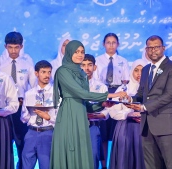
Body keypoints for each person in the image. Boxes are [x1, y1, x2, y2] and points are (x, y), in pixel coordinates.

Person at [50, 40, 126, 169]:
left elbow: (84, 103)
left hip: (81, 114)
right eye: (76, 52)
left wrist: (103, 104)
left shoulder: (81, 74)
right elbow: (81, 93)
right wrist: (111, 95)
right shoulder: (62, 71)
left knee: (83, 153)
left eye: (82, 52)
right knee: (69, 150)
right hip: (69, 114)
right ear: (69, 53)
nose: (80, 55)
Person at [127, 35, 172, 169]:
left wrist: (144, 107)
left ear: (163, 48)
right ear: (146, 50)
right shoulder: (145, 69)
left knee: (171, 164)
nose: (153, 51)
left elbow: (169, 95)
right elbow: (141, 94)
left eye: (156, 47)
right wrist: (128, 100)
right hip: (147, 125)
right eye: (149, 48)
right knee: (151, 165)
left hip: (166, 124)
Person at [0, 31, 37, 169]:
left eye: (16, 47)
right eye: (10, 47)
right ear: (5, 46)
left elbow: (34, 87)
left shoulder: (27, 64)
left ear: (21, 47)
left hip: (21, 109)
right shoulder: (0, 65)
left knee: (22, 144)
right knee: (5, 143)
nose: (13, 51)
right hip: (4, 112)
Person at [95, 33, 130, 166]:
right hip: (103, 94)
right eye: (108, 42)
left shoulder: (123, 61)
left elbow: (126, 81)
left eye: (113, 42)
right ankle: (103, 165)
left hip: (118, 92)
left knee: (117, 132)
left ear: (118, 44)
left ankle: (117, 163)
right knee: (103, 134)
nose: (111, 45)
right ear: (103, 44)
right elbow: (96, 81)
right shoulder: (97, 61)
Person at [109, 59, 147, 169]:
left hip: (147, 129)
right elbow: (113, 111)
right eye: (136, 70)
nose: (139, 73)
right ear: (132, 72)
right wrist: (127, 114)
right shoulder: (123, 88)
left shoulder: (152, 89)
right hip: (126, 128)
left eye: (143, 70)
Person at [21, 60, 56, 169]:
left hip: (48, 133)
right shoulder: (29, 94)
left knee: (46, 165)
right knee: (26, 165)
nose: (47, 75)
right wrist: (31, 112)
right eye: (44, 72)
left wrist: (48, 117)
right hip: (31, 133)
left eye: (49, 72)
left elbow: (60, 117)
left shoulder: (56, 94)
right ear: (36, 73)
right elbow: (23, 118)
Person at [80, 54, 110, 169]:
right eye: (83, 65)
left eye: (89, 65)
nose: (86, 68)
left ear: (95, 67)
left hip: (93, 126)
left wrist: (100, 115)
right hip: (75, 127)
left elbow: (107, 109)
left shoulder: (101, 87)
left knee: (93, 158)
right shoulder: (72, 86)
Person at [0, 67, 19, 169]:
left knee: (0, 153)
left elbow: (14, 104)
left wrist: (0, 112)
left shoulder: (5, 78)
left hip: (0, 121)